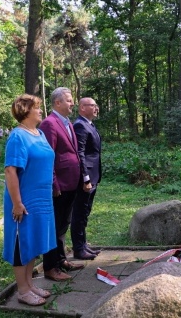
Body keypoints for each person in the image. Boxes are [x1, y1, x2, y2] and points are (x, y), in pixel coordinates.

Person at [3, 94, 56, 306]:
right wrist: (17, 202)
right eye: (37, 107)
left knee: (34, 241)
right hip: (23, 201)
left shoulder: (40, 133)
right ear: (25, 110)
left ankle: (30, 284)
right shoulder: (18, 137)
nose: (41, 111)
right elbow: (10, 171)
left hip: (41, 200)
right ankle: (22, 291)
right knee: (21, 243)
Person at [39, 87, 85, 282]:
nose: (72, 103)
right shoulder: (49, 123)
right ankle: (50, 267)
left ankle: (61, 259)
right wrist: (54, 183)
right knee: (54, 226)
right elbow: (48, 156)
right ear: (57, 103)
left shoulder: (67, 122)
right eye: (68, 100)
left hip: (71, 183)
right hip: (60, 185)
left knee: (63, 225)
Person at [71, 98, 102, 259]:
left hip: (94, 176)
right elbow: (80, 153)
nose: (96, 108)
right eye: (92, 105)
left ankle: (83, 245)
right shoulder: (80, 125)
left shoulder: (89, 124)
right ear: (82, 108)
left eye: (96, 105)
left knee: (85, 212)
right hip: (86, 179)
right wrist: (86, 178)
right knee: (79, 213)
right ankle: (78, 248)